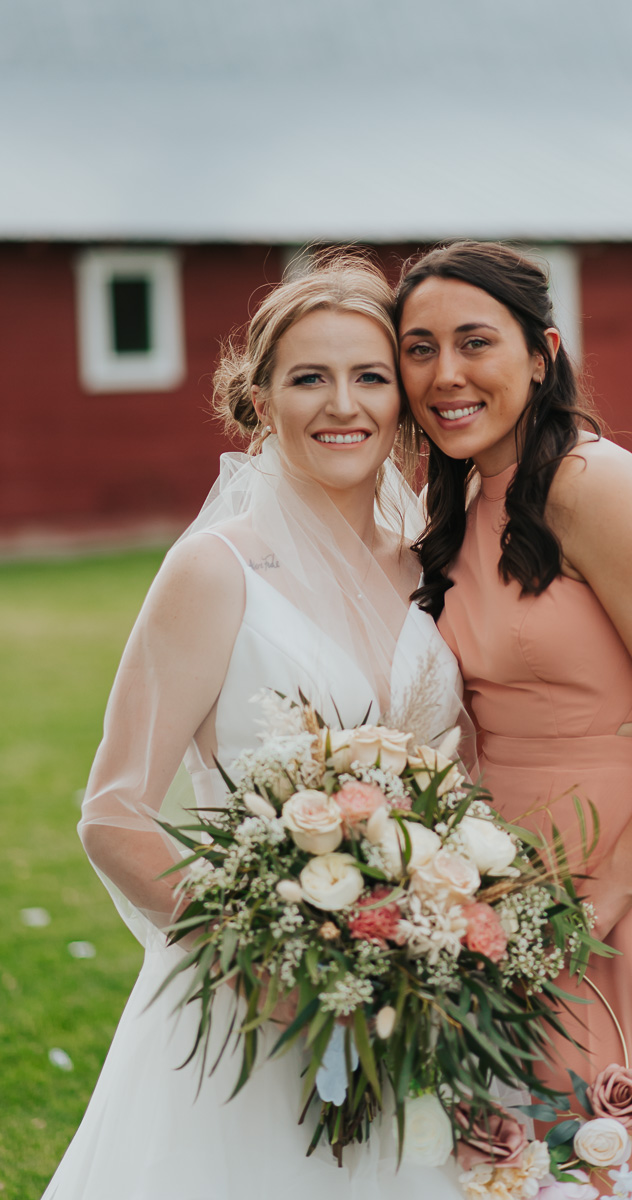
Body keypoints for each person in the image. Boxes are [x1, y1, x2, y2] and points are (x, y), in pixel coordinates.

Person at [43, 259, 469, 1200]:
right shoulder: (214, 570)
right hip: (249, 1007)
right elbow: (113, 813)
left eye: (369, 376)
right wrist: (273, 971)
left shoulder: (434, 563)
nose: (342, 404)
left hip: (415, 991)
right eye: (309, 377)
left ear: (402, 400)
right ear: (260, 400)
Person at [395, 240, 632, 1200]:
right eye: (419, 348)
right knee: (518, 1153)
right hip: (495, 871)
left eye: (475, 342)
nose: (445, 374)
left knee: (608, 1141)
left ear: (541, 354)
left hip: (609, 870)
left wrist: (597, 906)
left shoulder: (593, 483)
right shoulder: (456, 502)